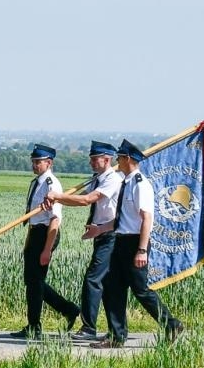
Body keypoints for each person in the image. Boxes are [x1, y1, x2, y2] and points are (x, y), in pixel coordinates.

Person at [96, 139, 183, 348]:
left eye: (119, 158)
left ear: (127, 159)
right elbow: (123, 219)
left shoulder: (140, 184)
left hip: (135, 243)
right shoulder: (126, 183)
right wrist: (100, 229)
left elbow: (146, 218)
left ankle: (171, 324)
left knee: (141, 290)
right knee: (112, 287)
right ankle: (117, 335)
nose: (117, 161)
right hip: (121, 240)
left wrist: (142, 250)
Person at [46, 140, 122, 341]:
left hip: (110, 236)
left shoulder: (112, 180)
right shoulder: (98, 178)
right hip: (100, 234)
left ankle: (89, 327)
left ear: (107, 160)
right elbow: (82, 196)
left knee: (93, 279)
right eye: (91, 159)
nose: (91, 163)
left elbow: (88, 200)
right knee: (106, 282)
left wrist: (58, 197)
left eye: (94, 159)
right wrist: (59, 199)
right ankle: (116, 329)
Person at [18, 144, 78, 336]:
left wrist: (47, 249)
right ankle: (68, 309)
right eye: (33, 162)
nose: (34, 165)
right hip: (35, 233)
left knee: (35, 282)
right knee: (33, 281)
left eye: (38, 162)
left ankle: (35, 326)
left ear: (49, 163)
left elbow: (55, 219)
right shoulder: (36, 182)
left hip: (46, 234)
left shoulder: (52, 184)